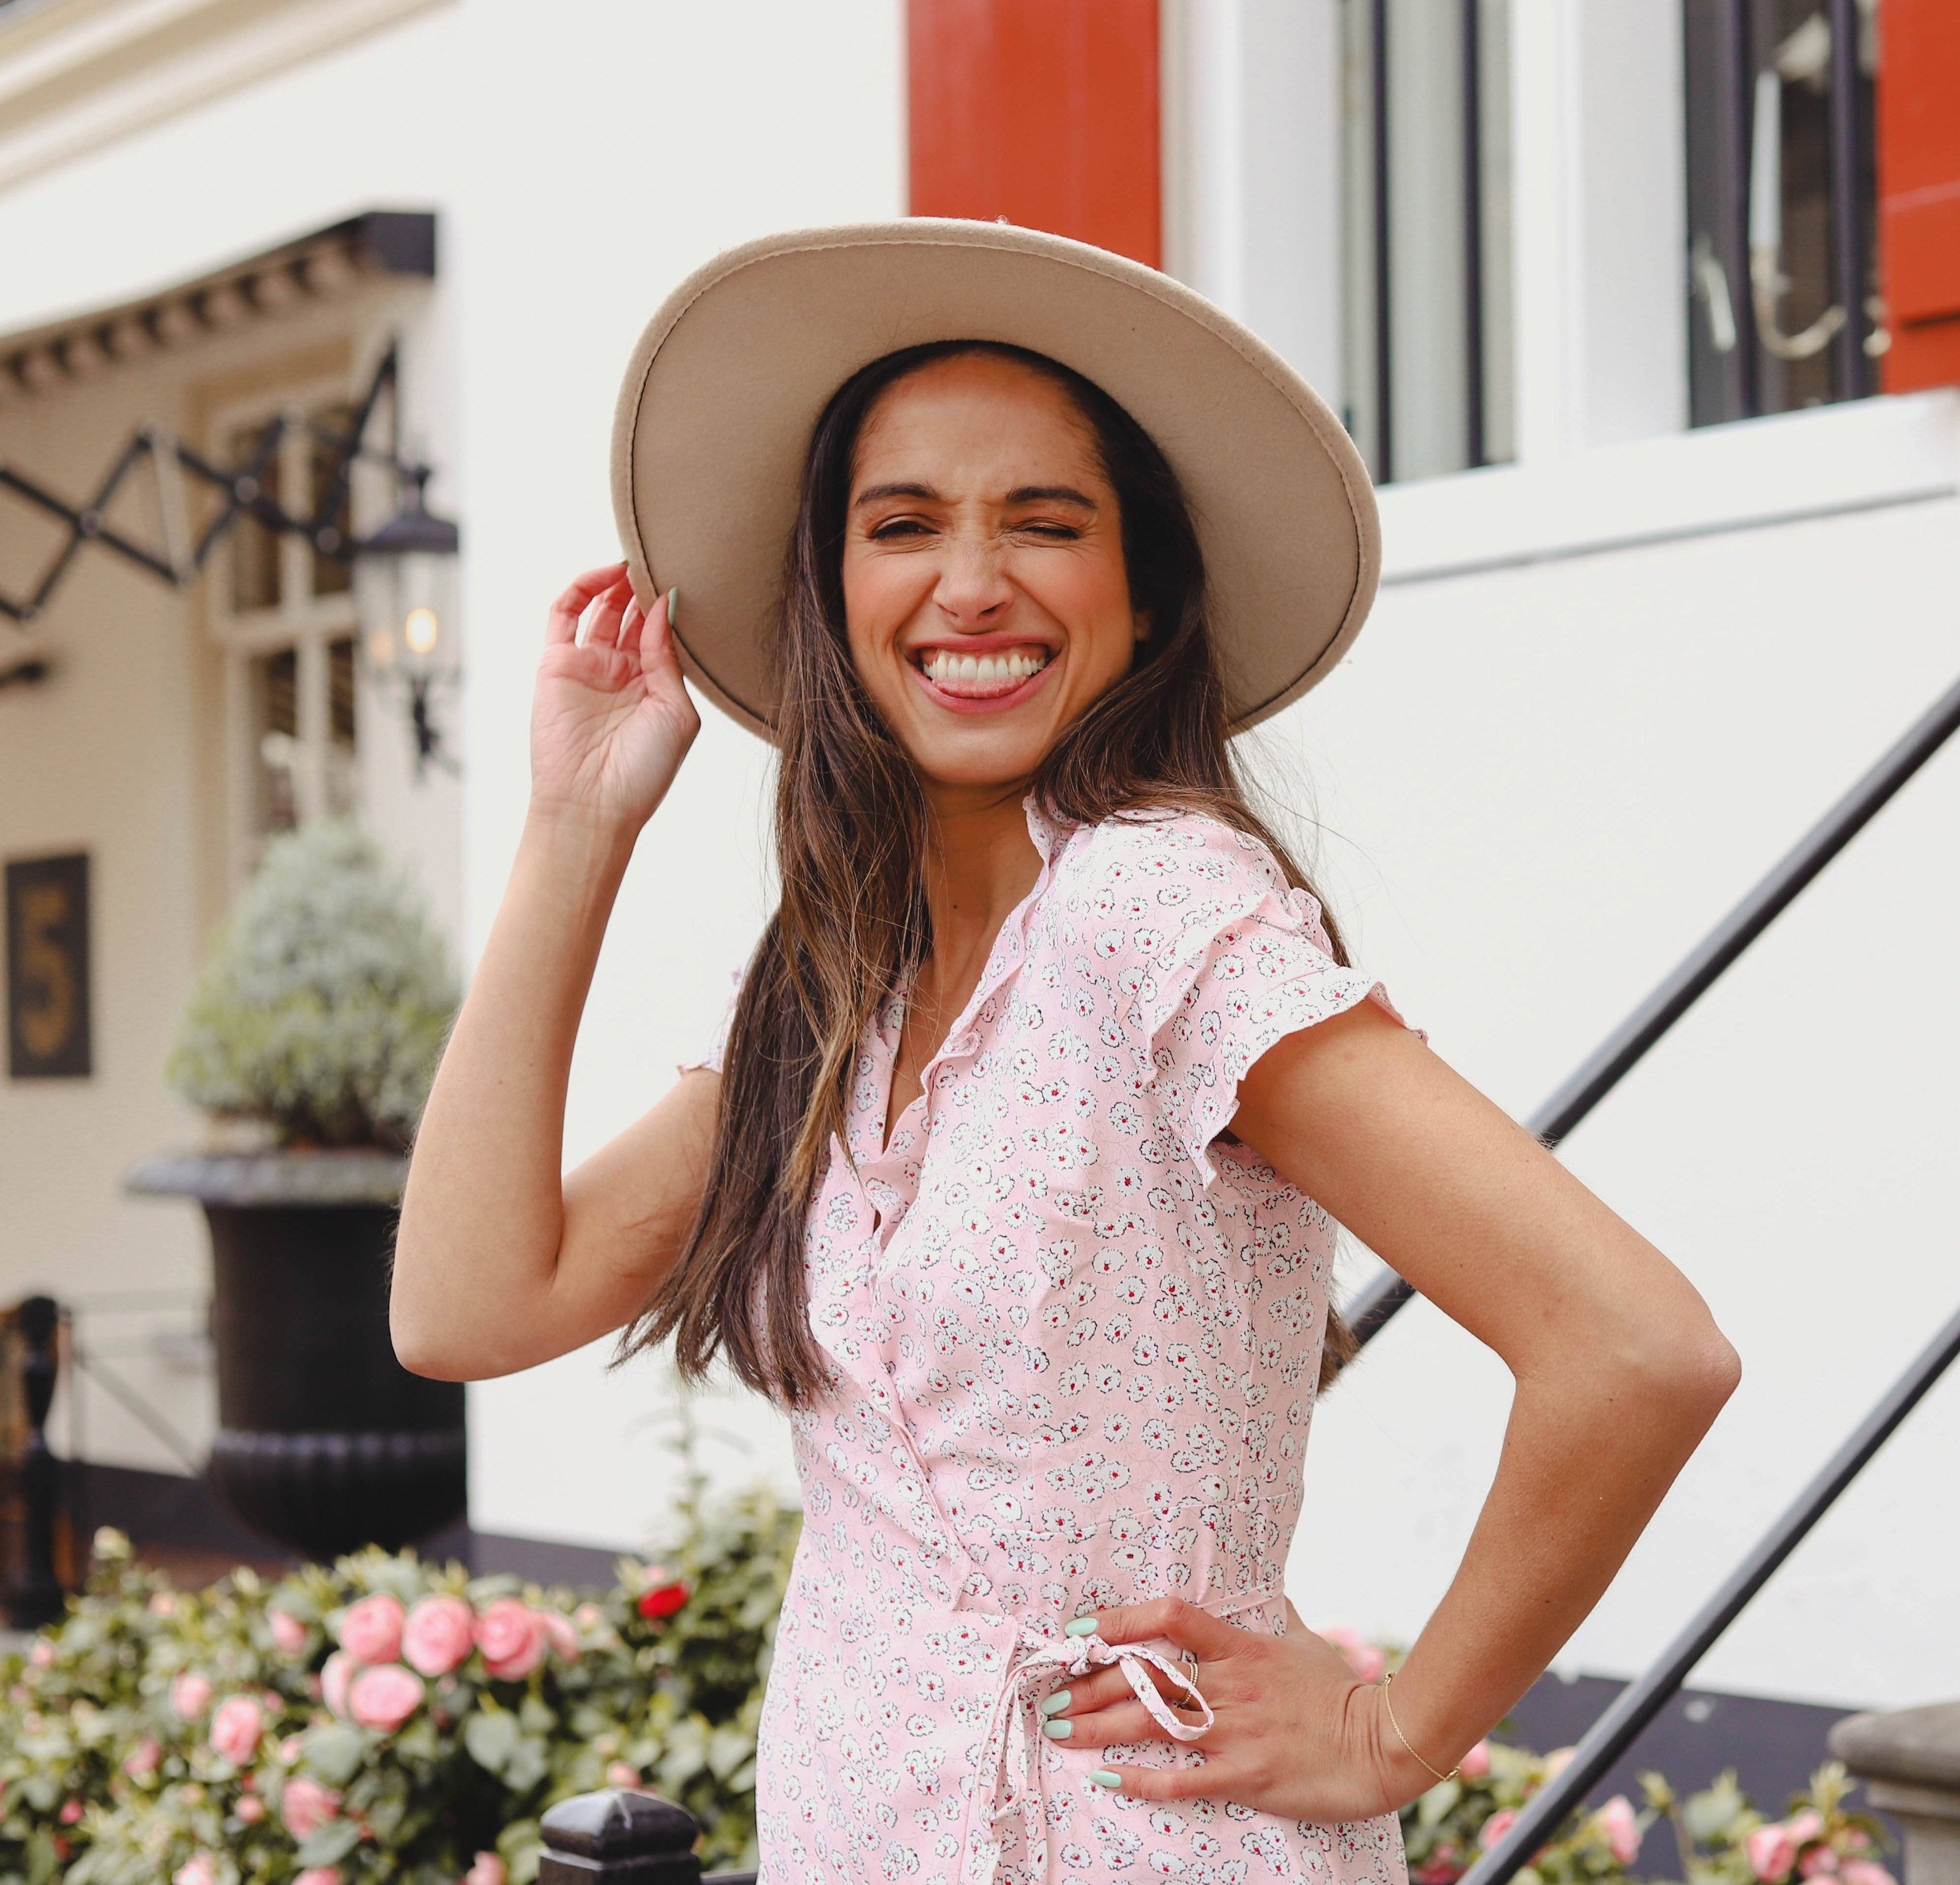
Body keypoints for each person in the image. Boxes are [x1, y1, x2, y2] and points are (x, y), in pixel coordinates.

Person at [391, 222, 1739, 1885]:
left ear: (1144, 588)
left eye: (1046, 522)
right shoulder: (835, 986)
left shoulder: (1153, 909)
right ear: (833, 590)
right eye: (904, 526)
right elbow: (463, 1308)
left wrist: (1395, 1730)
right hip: (856, 1830)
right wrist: (574, 822)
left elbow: (1635, 1346)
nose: (971, 583)